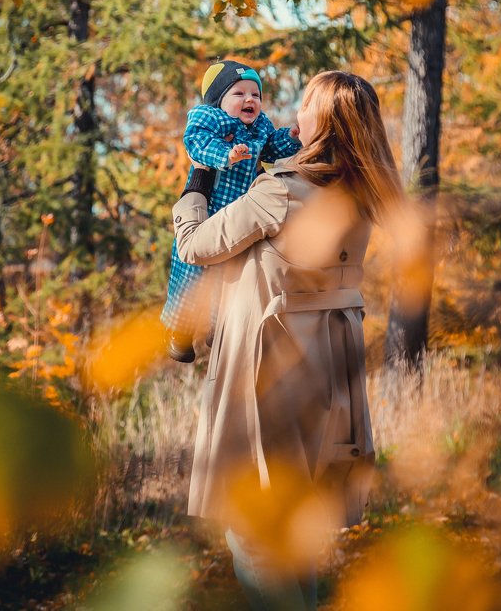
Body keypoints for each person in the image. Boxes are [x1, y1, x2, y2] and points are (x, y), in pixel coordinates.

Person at [171, 70, 403, 610]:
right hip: (329, 378)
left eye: (303, 107)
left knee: (252, 535)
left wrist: (195, 187)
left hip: (268, 377)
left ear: (321, 122)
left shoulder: (281, 191)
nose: (292, 117)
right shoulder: (364, 195)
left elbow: (195, 245)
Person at [161, 59, 301, 363]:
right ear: (219, 100)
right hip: (208, 209)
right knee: (192, 274)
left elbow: (272, 148)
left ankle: (217, 327)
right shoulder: (208, 118)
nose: (250, 100)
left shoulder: (260, 126)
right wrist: (226, 153)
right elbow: (196, 145)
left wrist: (291, 137)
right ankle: (180, 332)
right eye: (239, 93)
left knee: (230, 273)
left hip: (239, 213)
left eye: (256, 94)